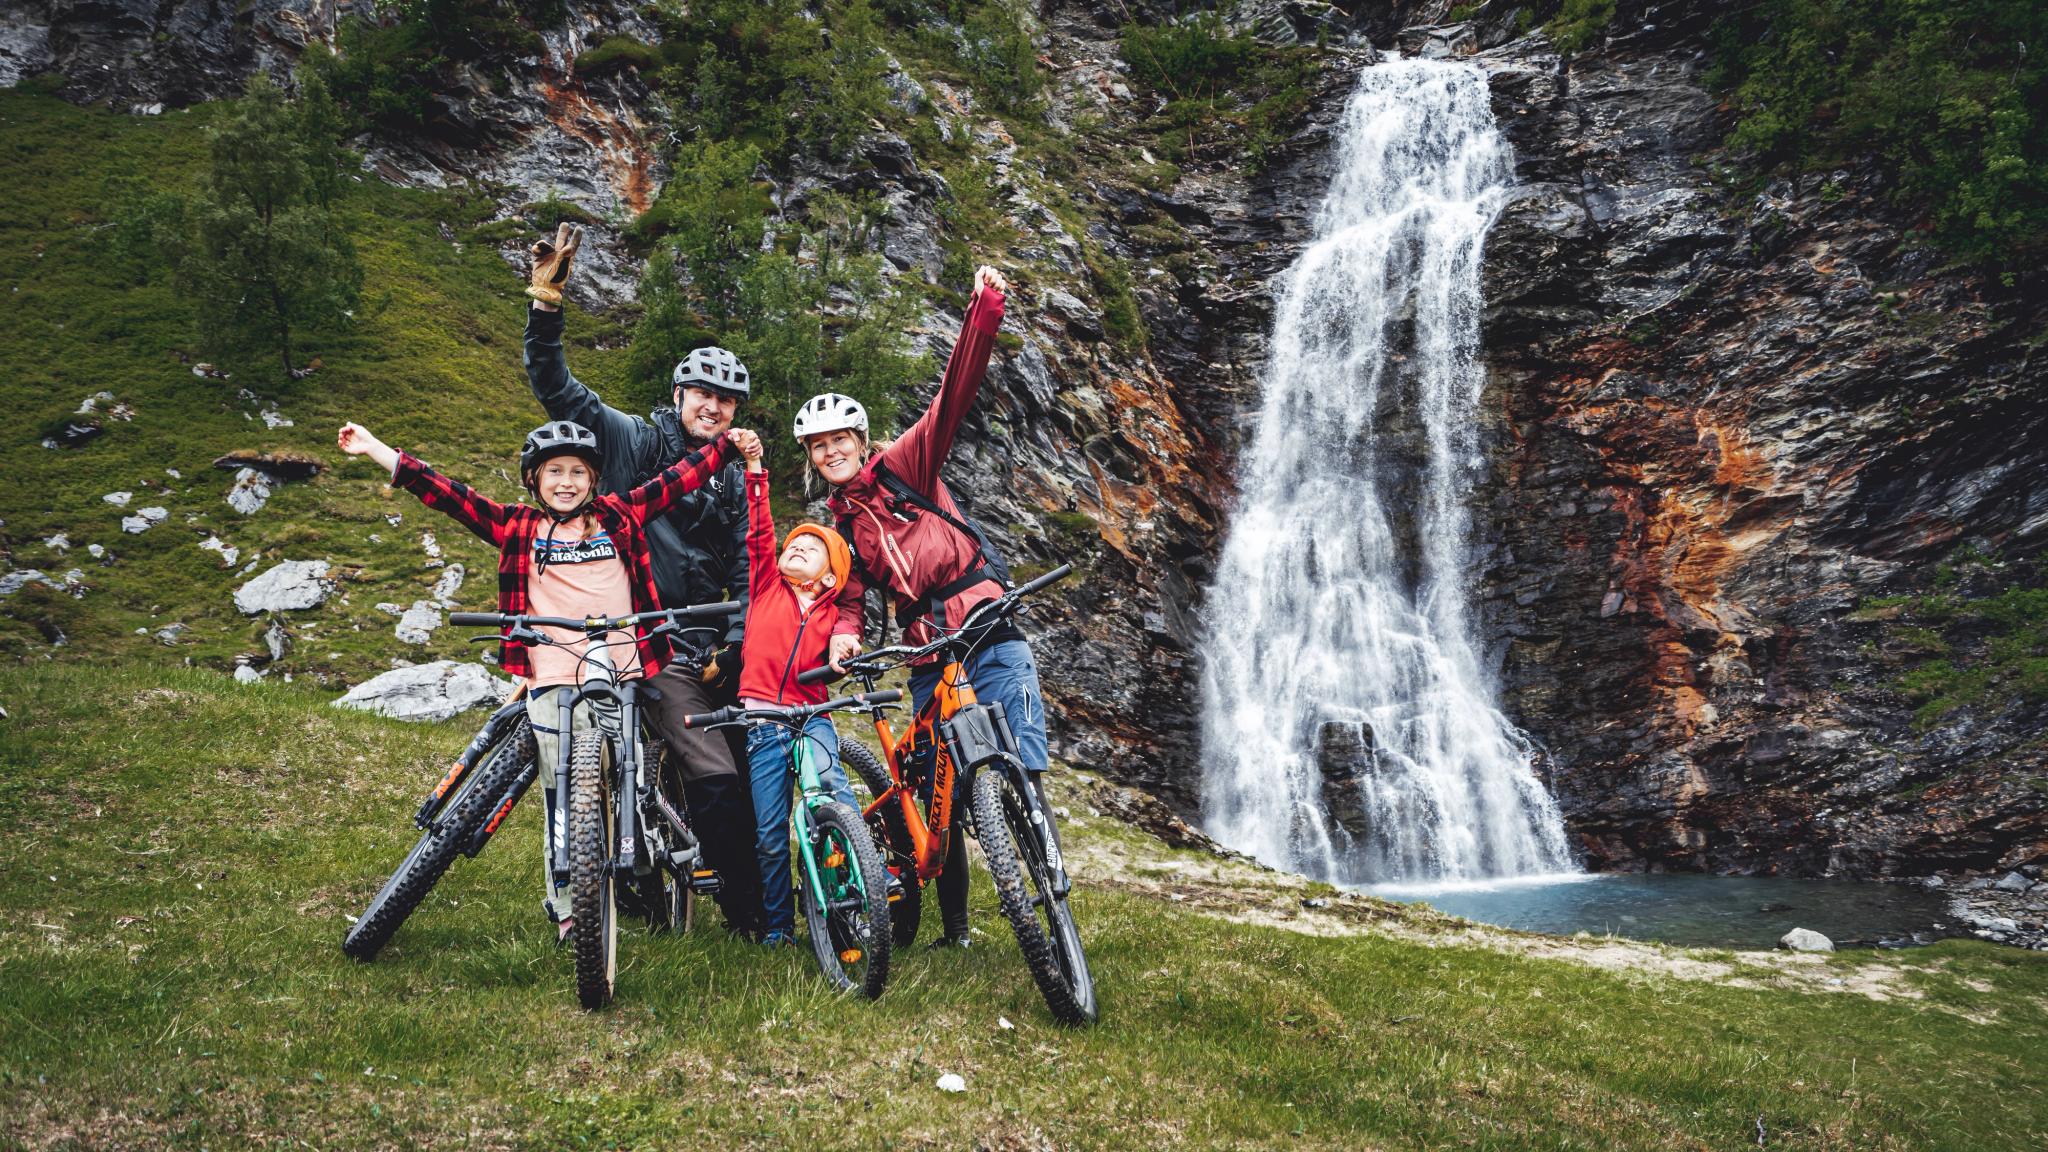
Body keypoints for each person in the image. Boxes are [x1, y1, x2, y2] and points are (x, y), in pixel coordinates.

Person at [335, 417, 748, 940]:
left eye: (578, 471)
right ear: (535, 481)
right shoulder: (518, 527)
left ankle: (641, 858)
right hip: (553, 672)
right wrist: (375, 449)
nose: (567, 482)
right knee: (561, 787)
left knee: (631, 768)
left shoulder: (619, 516)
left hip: (625, 666)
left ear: (594, 479)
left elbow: (679, 479)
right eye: (555, 472)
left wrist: (725, 447)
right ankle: (569, 905)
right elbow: (448, 495)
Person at [799, 265, 1058, 948]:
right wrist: (843, 640)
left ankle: (1046, 879)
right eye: (819, 447)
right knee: (939, 791)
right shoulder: (842, 527)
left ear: (860, 440)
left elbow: (953, 394)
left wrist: (985, 309)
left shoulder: (907, 467)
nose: (831, 452)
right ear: (812, 457)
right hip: (924, 651)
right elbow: (849, 599)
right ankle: (958, 930)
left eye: (839, 441)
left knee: (1017, 763)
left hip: (985, 625)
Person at [521, 223, 763, 936]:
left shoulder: (733, 470)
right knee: (710, 764)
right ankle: (753, 917)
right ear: (680, 392)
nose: (712, 407)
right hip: (646, 640)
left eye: (725, 400)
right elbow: (556, 389)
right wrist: (546, 302)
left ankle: (771, 881)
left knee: (762, 763)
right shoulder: (635, 443)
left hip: (717, 641)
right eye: (702, 393)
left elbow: (751, 560)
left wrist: (741, 637)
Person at [729, 431, 864, 946]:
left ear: (830, 577)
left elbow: (847, 641)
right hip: (763, 722)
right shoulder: (767, 586)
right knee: (769, 834)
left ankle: (851, 901)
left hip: (813, 718)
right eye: (795, 545)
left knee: (834, 805)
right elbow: (760, 532)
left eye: (812, 549)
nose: (797, 550)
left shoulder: (834, 614)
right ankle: (779, 927)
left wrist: (846, 650)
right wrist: (756, 469)